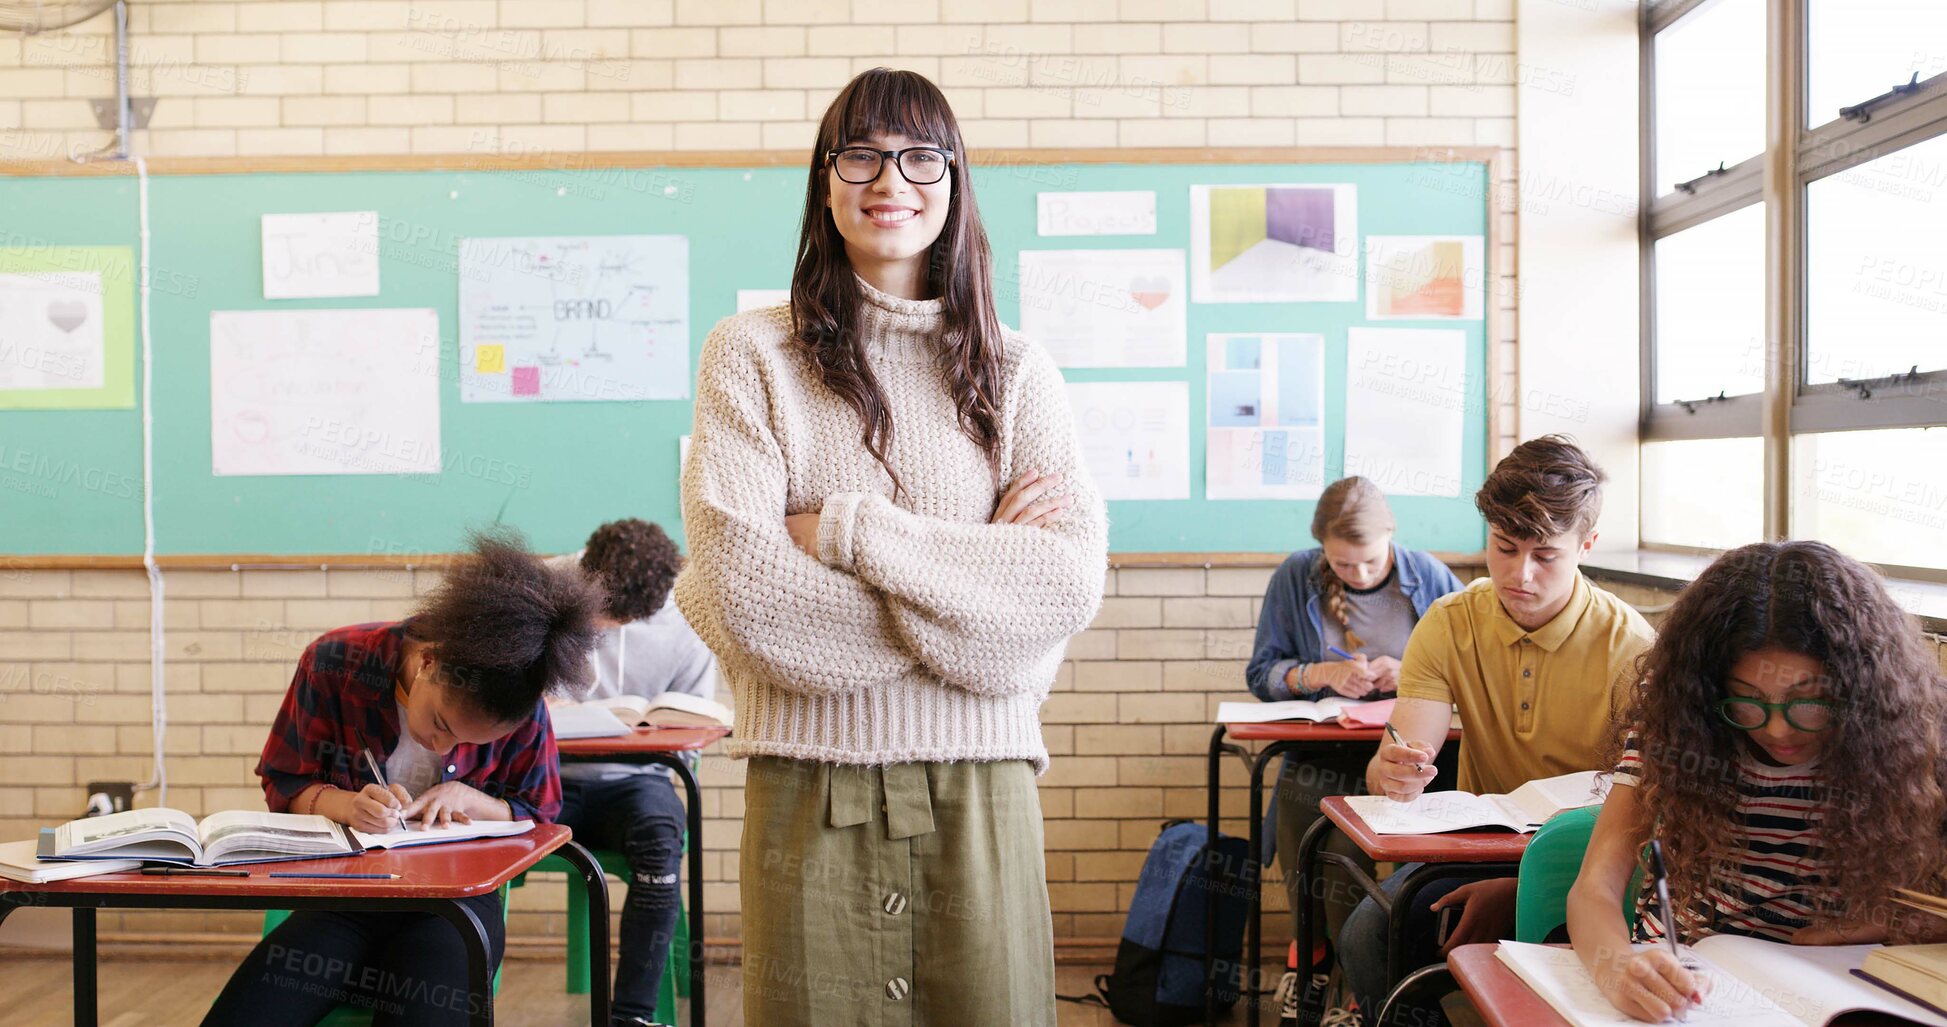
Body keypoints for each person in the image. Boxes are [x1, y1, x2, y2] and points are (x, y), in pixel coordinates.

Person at [674, 67, 1108, 1026]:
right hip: (809, 785)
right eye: (860, 154)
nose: (890, 179)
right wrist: (971, 593)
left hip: (982, 785)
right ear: (826, 182)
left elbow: (1060, 588)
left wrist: (844, 531)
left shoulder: (1017, 369)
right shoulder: (750, 354)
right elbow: (746, 595)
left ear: (954, 182)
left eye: (921, 156)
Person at [202, 530, 602, 1027]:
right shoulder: (335, 663)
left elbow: (540, 812)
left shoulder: (521, 699)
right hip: (344, 902)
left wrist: (475, 799)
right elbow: (284, 780)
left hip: (455, 911)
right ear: (429, 660)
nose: (443, 749)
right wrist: (343, 805)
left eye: (469, 746)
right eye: (441, 724)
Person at [1337, 435, 1656, 1025]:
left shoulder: (1633, 650)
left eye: (1546, 556)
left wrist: (1523, 889)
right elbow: (1405, 755)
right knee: (1370, 937)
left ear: (1586, 545)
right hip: (1476, 851)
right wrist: (1392, 775)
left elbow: (1646, 825)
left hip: (1591, 865)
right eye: (1504, 548)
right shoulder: (1450, 622)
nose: (1520, 575)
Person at [1567, 540, 1947, 1023]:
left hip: (1835, 988)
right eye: (1746, 700)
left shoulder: (1917, 731)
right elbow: (1595, 887)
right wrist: (1618, 966)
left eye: (1808, 701)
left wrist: (1869, 926)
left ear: (1860, 689)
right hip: (1689, 977)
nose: (1777, 729)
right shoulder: (1676, 717)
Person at [1245, 476, 1463, 1007]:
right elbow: (1261, 674)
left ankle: (1353, 980)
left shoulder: (1430, 576)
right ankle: (1329, 964)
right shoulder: (1297, 576)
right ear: (1322, 548)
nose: (1359, 574)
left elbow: (1474, 671)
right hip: (1321, 749)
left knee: (1346, 841)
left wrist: (1415, 672)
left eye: (1370, 561)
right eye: (1343, 565)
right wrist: (1319, 674)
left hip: (1413, 755)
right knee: (1316, 832)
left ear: (1391, 533)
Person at [552, 518, 717, 1027]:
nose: (609, 627)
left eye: (626, 620)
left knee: (661, 835)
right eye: (604, 613)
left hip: (635, 784)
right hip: (546, 779)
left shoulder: (689, 618)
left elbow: (688, 726)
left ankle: (631, 1017)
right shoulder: (544, 588)